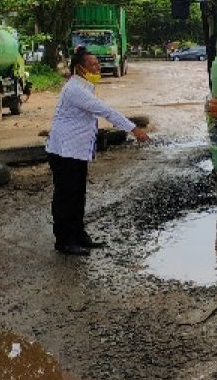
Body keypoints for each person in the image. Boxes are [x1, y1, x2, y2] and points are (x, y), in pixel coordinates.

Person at [46, 47, 150, 256]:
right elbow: (105, 111)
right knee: (66, 196)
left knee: (78, 195)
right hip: (65, 150)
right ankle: (64, 241)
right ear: (80, 68)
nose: (98, 67)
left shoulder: (85, 86)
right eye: (93, 64)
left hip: (76, 150)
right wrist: (133, 128)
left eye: (98, 63)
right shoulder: (75, 89)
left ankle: (78, 236)